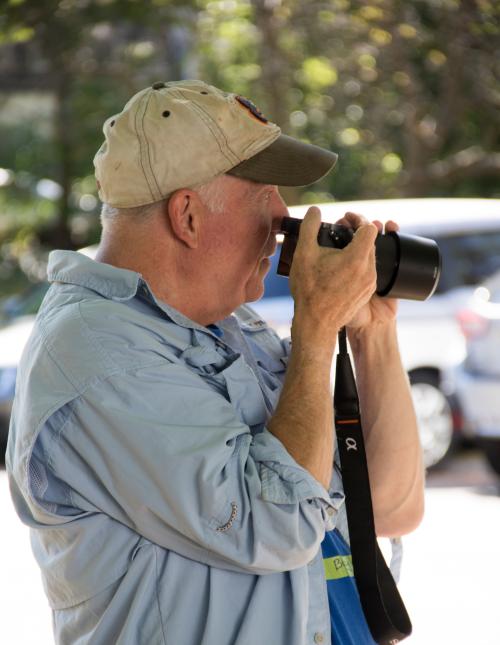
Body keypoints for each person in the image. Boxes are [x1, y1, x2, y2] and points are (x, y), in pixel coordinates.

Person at [6, 80, 424, 645]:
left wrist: (372, 331)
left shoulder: (231, 327)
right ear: (188, 216)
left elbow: (391, 509)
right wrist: (317, 326)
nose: (283, 219)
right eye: (264, 193)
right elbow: (277, 525)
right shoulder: (99, 357)